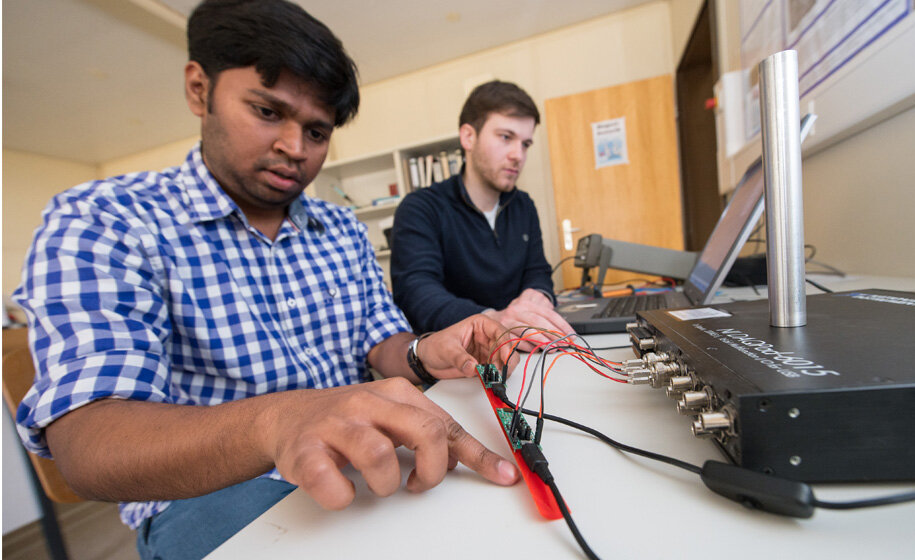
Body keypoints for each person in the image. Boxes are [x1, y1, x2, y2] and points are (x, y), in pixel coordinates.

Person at [11, 1, 519, 558]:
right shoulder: (105, 220)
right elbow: (87, 443)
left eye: (317, 131)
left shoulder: (341, 227)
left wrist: (424, 349)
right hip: (208, 492)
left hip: (360, 454)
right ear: (199, 89)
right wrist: (278, 423)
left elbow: (381, 341)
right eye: (268, 111)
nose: (294, 149)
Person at [390, 80, 574, 342]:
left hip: (523, 344)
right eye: (506, 137)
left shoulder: (524, 206)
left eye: (525, 144)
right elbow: (417, 293)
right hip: (458, 359)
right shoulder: (421, 208)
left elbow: (538, 270)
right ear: (468, 137)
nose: (518, 155)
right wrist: (492, 319)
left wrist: (539, 294)